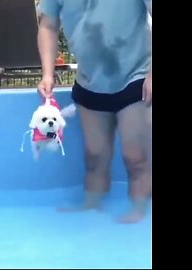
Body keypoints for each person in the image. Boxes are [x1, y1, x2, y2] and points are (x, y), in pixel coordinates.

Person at [36, 0, 152, 223]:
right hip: (90, 80)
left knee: (135, 156)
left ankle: (139, 213)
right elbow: (48, 25)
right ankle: (91, 208)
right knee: (95, 155)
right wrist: (48, 74)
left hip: (136, 75)